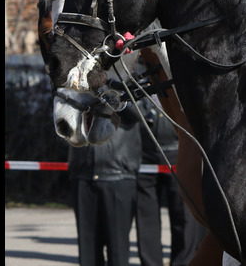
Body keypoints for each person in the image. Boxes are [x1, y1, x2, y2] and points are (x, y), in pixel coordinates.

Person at [135, 91, 207, 266]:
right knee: (146, 220)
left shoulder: (173, 73)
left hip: (178, 151)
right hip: (146, 153)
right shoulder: (138, 76)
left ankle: (182, 262)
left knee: (183, 216)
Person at [67, 101, 143, 266]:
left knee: (118, 248)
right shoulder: (76, 81)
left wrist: (115, 98)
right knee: (88, 250)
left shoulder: (126, 79)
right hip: (83, 174)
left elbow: (141, 114)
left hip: (118, 174)